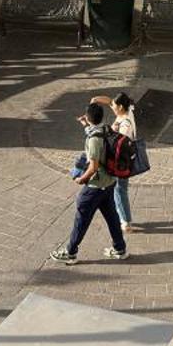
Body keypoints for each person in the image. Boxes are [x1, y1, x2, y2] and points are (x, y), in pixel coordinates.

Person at [49, 101, 127, 266]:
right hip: (110, 182)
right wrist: (86, 125)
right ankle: (119, 248)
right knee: (112, 216)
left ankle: (70, 252)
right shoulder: (106, 129)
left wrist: (81, 179)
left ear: (89, 118)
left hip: (95, 186)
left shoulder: (93, 140)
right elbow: (94, 133)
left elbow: (93, 167)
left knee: (81, 218)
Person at [106, 92, 141, 231]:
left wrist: (112, 131)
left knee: (119, 190)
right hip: (124, 160)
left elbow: (121, 144)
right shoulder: (126, 112)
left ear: (120, 106)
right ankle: (123, 217)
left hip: (121, 162)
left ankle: (126, 221)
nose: (112, 107)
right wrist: (97, 99)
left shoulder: (125, 123)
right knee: (119, 189)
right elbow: (110, 101)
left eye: (114, 106)